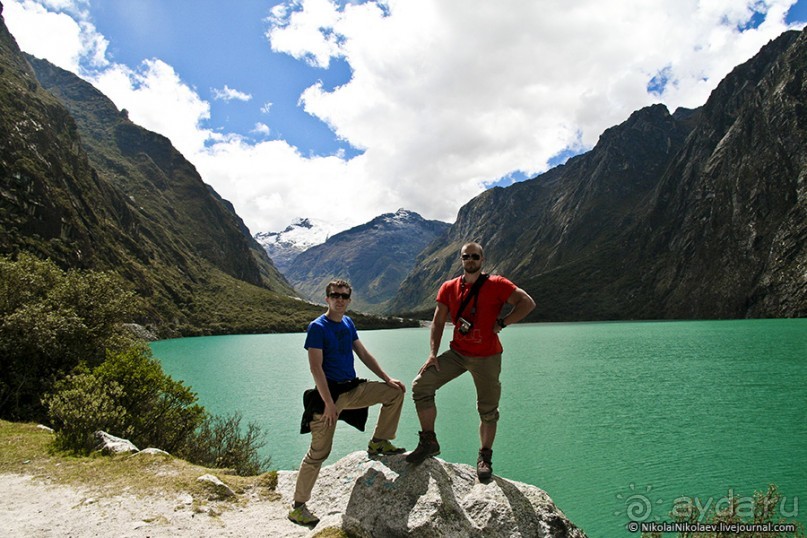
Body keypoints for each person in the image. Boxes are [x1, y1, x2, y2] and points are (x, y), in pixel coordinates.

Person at [405, 242, 536, 481]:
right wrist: (433, 354)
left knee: (488, 410)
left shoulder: (497, 284)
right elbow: (437, 321)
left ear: (482, 260)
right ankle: (428, 441)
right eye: (466, 256)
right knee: (421, 386)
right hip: (457, 354)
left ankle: (484, 456)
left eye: (475, 256)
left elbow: (527, 302)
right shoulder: (448, 288)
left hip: (487, 356)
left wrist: (503, 323)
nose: (470, 260)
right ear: (461, 260)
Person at [288, 279, 407, 526]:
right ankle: (298, 507)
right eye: (335, 295)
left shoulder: (348, 322)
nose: (339, 299)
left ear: (349, 300)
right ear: (327, 298)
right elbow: (315, 368)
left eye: (344, 296)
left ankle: (379, 442)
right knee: (318, 453)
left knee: (395, 392)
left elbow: (362, 353)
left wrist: (387, 378)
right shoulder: (317, 327)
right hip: (327, 397)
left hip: (352, 389)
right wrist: (330, 404)